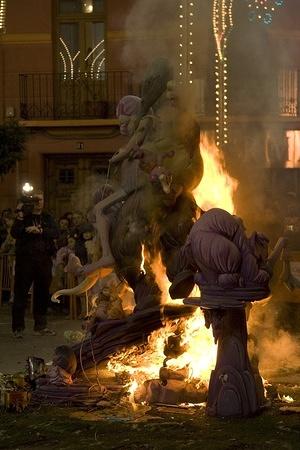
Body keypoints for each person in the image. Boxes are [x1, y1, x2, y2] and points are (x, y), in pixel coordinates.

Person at [10, 190, 59, 338]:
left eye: (41, 200)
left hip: (44, 260)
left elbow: (56, 233)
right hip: (25, 261)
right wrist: (23, 223)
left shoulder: (47, 217)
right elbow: (14, 232)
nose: (38, 203)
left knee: (42, 294)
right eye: (35, 200)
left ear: (44, 201)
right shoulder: (24, 217)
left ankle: (40, 326)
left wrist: (41, 231)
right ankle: (18, 328)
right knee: (20, 293)